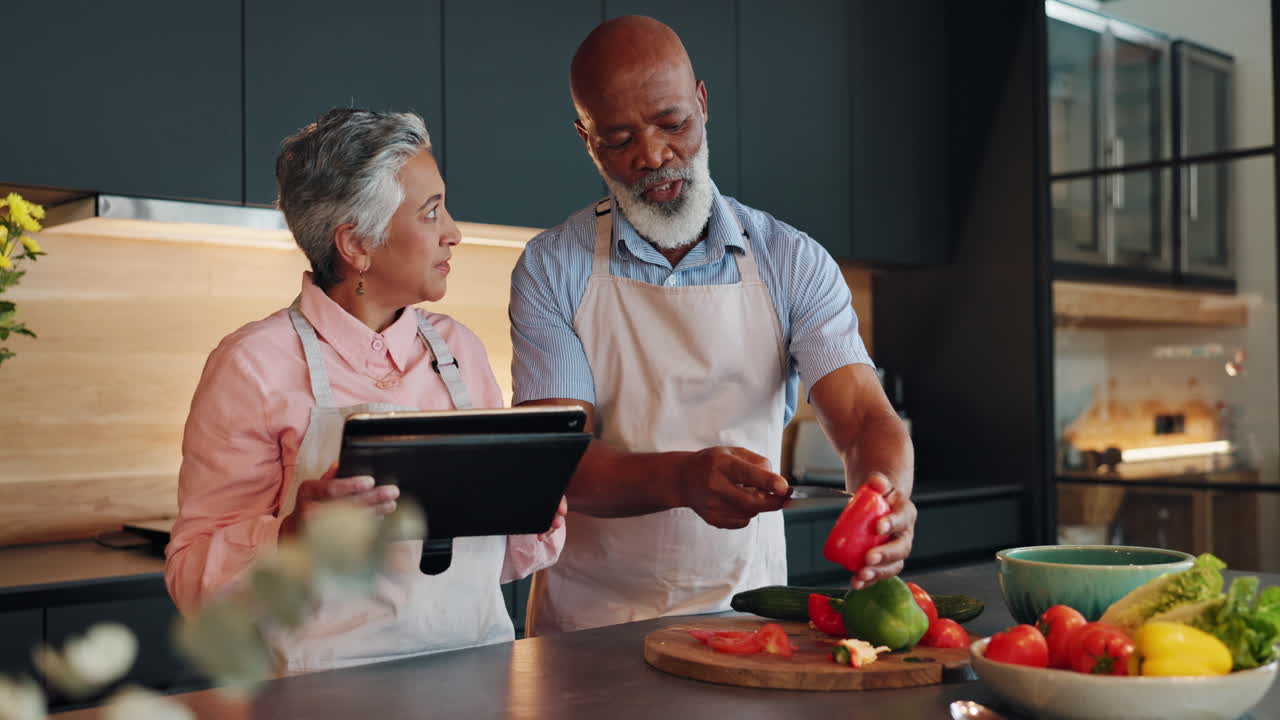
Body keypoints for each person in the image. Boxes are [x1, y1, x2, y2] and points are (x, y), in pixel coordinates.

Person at [509, 16, 916, 635]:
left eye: (672, 124)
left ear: (702, 104)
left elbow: (863, 417)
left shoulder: (791, 261)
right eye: (618, 138)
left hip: (749, 617)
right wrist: (680, 477)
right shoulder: (550, 268)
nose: (652, 154)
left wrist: (884, 496)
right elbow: (555, 464)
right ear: (586, 140)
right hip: (587, 628)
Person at [165, 108, 566, 673]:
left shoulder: (461, 352)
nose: (454, 232)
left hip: (477, 683)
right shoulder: (251, 365)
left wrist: (535, 512)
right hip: (318, 700)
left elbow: (483, 565)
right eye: (431, 213)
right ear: (356, 245)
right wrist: (290, 538)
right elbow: (189, 582)